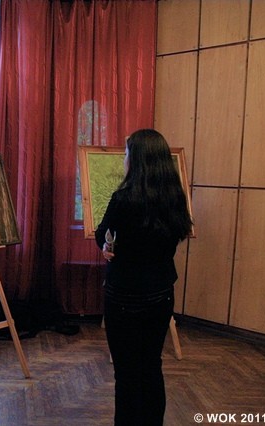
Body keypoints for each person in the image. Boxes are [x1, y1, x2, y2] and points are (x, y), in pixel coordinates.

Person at [95, 129, 193, 425]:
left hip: (123, 296)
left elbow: (103, 235)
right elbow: (178, 234)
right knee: (151, 367)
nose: (123, 160)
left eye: (126, 154)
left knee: (126, 373)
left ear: (137, 160)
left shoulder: (123, 199)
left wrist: (107, 247)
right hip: (161, 294)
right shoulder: (175, 198)